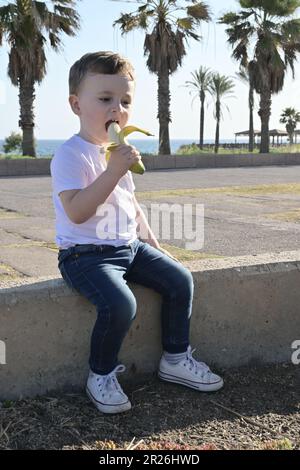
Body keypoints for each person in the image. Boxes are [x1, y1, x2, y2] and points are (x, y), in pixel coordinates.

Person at [50, 51, 223, 414]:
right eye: (105, 99)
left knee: (180, 280)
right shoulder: (70, 155)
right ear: (76, 105)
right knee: (120, 304)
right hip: (84, 254)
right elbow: (78, 212)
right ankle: (100, 375)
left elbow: (132, 206)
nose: (117, 109)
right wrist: (112, 170)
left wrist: (155, 248)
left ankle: (175, 358)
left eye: (124, 101)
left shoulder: (119, 153)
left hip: (129, 246)